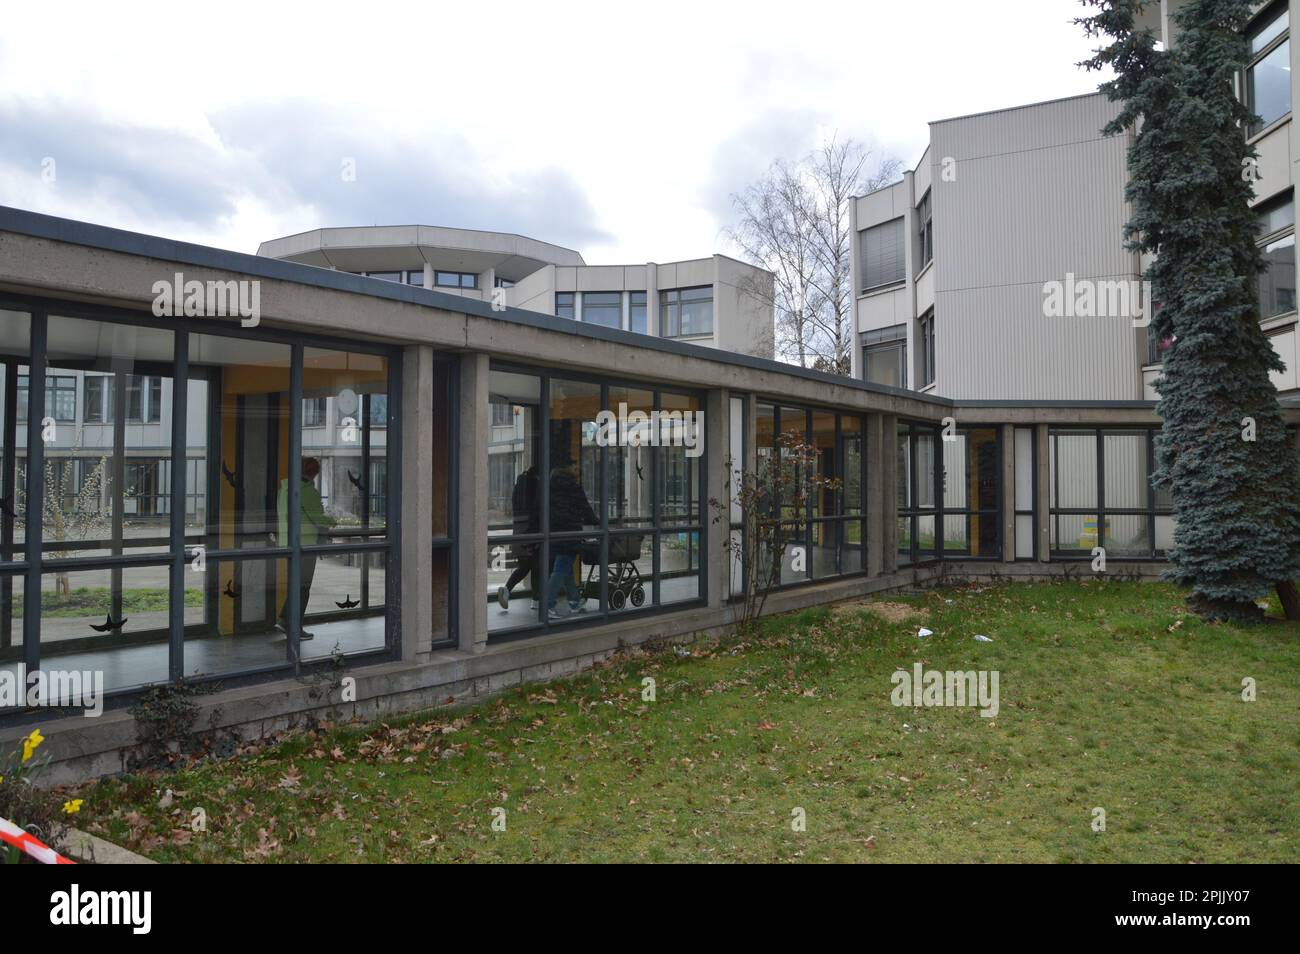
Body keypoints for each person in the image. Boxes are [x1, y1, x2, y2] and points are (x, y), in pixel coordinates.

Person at [276, 456, 337, 640]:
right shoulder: (307, 490)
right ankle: (293, 625)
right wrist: (333, 521)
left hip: (288, 543)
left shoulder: (284, 489)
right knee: (303, 586)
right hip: (306, 544)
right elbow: (317, 517)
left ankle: (285, 620)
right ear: (313, 473)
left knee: (296, 584)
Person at [545, 460, 597, 620]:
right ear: (568, 469)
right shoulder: (573, 487)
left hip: (554, 532)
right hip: (570, 532)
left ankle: (574, 601)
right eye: (576, 468)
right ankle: (547, 604)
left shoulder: (550, 487)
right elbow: (585, 509)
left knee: (566, 568)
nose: (578, 471)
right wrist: (599, 522)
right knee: (561, 568)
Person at [497, 464, 541, 610]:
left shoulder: (519, 487)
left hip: (518, 531)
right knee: (536, 566)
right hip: (532, 531)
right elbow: (538, 511)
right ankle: (536, 600)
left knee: (525, 566)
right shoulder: (535, 487)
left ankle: (507, 590)